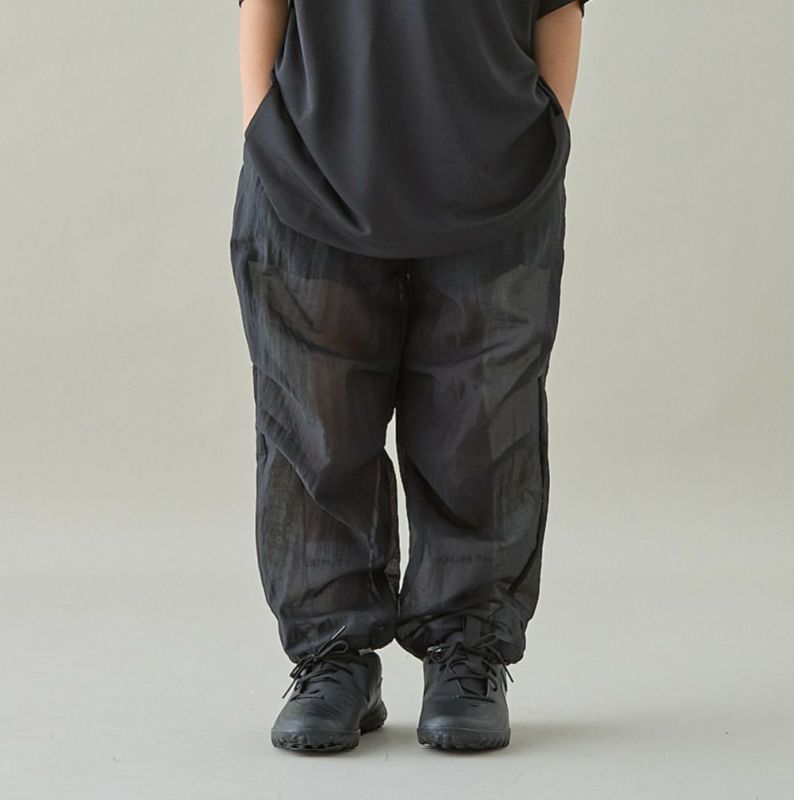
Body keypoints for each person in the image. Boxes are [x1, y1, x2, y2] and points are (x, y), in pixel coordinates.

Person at [229, 0, 588, 752]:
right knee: (316, 429)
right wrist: (261, 123)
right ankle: (334, 657)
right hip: (311, 164)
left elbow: (560, 6)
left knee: (482, 428)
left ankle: (467, 650)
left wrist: (547, 126)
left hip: (496, 172)